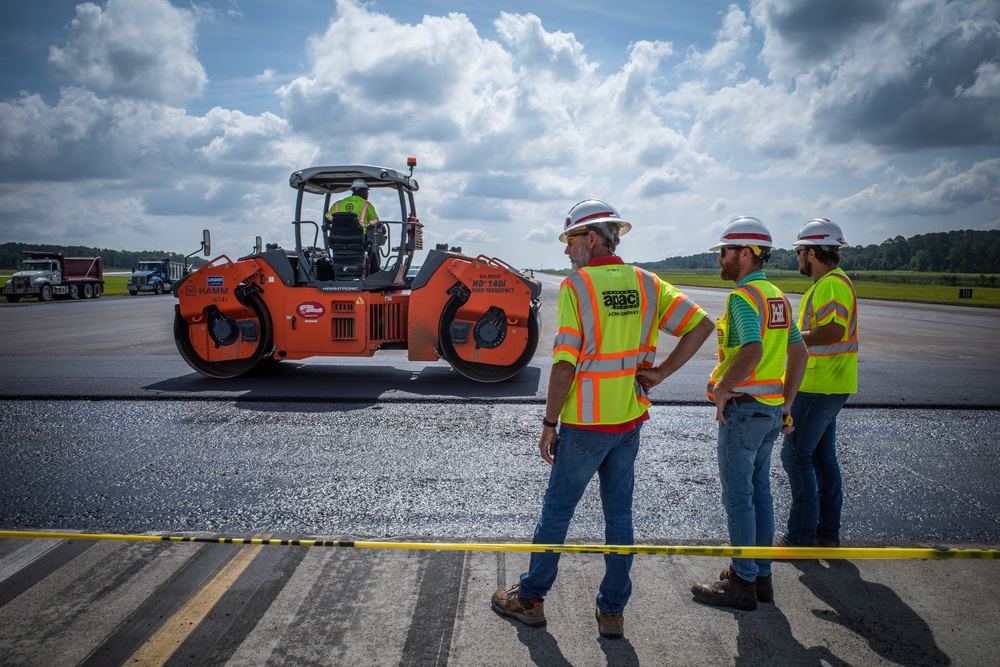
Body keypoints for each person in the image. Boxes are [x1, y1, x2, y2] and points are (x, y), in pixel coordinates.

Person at [491, 199, 714, 638]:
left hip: (585, 425)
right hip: (628, 422)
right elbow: (702, 325)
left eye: (571, 240)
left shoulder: (578, 287)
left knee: (557, 513)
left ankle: (531, 599)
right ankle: (612, 612)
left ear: (591, 238)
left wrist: (549, 422)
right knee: (619, 519)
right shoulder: (648, 283)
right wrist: (661, 374)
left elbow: (563, 365)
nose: (567, 251)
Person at [691, 216, 808, 612]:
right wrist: (787, 402)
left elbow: (753, 350)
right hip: (771, 413)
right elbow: (799, 352)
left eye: (724, 253)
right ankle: (760, 576)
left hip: (744, 413)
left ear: (745, 254)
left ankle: (740, 583)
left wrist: (721, 389)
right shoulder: (776, 296)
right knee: (760, 494)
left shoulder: (742, 297)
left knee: (739, 498)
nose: (719, 260)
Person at [775, 218, 858, 549]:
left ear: (811, 252)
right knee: (822, 459)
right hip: (831, 383)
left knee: (795, 456)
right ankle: (826, 535)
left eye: (799, 251)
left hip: (819, 383)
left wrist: (788, 337)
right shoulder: (830, 284)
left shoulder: (831, 285)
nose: (798, 257)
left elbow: (832, 331)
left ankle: (800, 537)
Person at [326, 178, 380, 273]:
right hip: (359, 240)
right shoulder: (366, 205)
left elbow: (327, 220)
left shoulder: (338, 204)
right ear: (362, 191)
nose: (367, 194)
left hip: (337, 241)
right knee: (374, 244)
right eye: (367, 192)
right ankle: (375, 272)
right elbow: (376, 225)